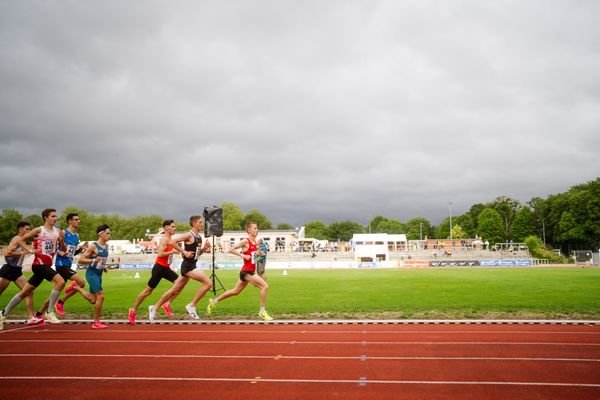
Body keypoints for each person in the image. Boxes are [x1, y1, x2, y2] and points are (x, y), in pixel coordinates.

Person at [0, 208, 66, 329]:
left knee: (25, 292)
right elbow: (20, 240)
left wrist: (61, 242)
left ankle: (3, 313)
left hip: (46, 265)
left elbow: (64, 250)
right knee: (60, 281)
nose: (55, 218)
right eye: (52, 216)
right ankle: (50, 312)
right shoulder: (38, 230)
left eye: (56, 216)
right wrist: (29, 250)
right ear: (46, 218)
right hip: (38, 265)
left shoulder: (58, 232)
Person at [207, 221, 273, 321]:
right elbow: (231, 249)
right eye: (255, 228)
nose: (257, 230)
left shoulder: (255, 242)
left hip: (249, 270)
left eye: (257, 228)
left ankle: (214, 301)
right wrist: (243, 255)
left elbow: (252, 256)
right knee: (265, 286)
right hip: (246, 272)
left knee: (235, 291)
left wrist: (259, 254)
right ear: (249, 230)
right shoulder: (245, 241)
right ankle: (262, 311)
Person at [128, 219, 191, 324]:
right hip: (159, 268)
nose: (175, 228)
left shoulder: (171, 240)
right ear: (166, 228)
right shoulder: (163, 240)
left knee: (179, 285)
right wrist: (172, 252)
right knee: (148, 291)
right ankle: (133, 309)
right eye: (173, 226)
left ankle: (167, 304)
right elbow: (160, 254)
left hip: (166, 268)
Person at [150, 215, 211, 321]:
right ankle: (191, 306)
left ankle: (154, 308)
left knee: (175, 289)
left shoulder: (199, 237)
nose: (202, 224)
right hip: (188, 266)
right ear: (195, 223)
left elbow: (197, 254)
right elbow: (172, 242)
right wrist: (184, 252)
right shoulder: (188, 234)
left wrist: (204, 248)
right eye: (200, 222)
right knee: (208, 283)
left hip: (192, 264)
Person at [36, 213, 88, 318]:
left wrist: (80, 249)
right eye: (76, 219)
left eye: (79, 219)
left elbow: (71, 253)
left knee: (55, 293)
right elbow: (52, 246)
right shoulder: (63, 232)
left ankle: (38, 314)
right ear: (70, 221)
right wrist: (58, 252)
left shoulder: (76, 236)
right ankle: (61, 302)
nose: (78, 221)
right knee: (81, 283)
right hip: (61, 265)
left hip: (67, 265)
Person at [0, 221, 44, 327]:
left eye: (30, 229)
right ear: (20, 229)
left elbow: (30, 248)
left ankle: (30, 318)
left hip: (17, 271)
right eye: (27, 229)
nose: (29, 231)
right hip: (9, 269)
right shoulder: (16, 239)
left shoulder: (24, 241)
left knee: (29, 291)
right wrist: (22, 253)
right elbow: (7, 252)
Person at [69, 224, 111, 329]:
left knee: (93, 300)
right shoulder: (93, 246)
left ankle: (76, 287)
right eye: (107, 233)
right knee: (101, 296)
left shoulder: (107, 247)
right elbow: (81, 259)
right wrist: (92, 260)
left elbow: (100, 261)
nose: (109, 235)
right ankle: (96, 322)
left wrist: (103, 267)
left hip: (99, 274)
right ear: (100, 234)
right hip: (91, 274)